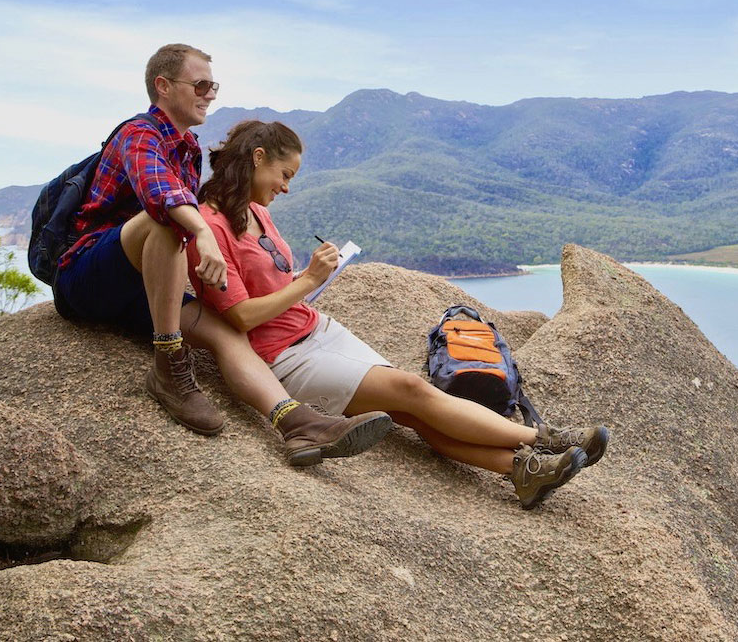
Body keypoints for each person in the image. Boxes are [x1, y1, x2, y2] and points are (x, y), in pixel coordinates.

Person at [187, 119, 611, 508]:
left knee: (409, 412)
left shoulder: (257, 212)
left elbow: (273, 283)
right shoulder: (209, 230)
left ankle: (523, 472)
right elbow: (241, 317)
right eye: (285, 176)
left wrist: (306, 276)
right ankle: (546, 439)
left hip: (316, 329)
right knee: (412, 390)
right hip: (283, 357)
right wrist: (308, 281)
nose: (286, 189)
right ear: (258, 158)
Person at [53, 43, 392, 465]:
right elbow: (161, 196)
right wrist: (203, 233)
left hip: (145, 288)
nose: (209, 94)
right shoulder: (138, 133)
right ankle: (168, 365)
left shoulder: (189, 149)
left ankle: (296, 424)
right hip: (88, 276)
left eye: (213, 86)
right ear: (163, 86)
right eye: (200, 84)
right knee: (165, 220)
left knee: (228, 333)